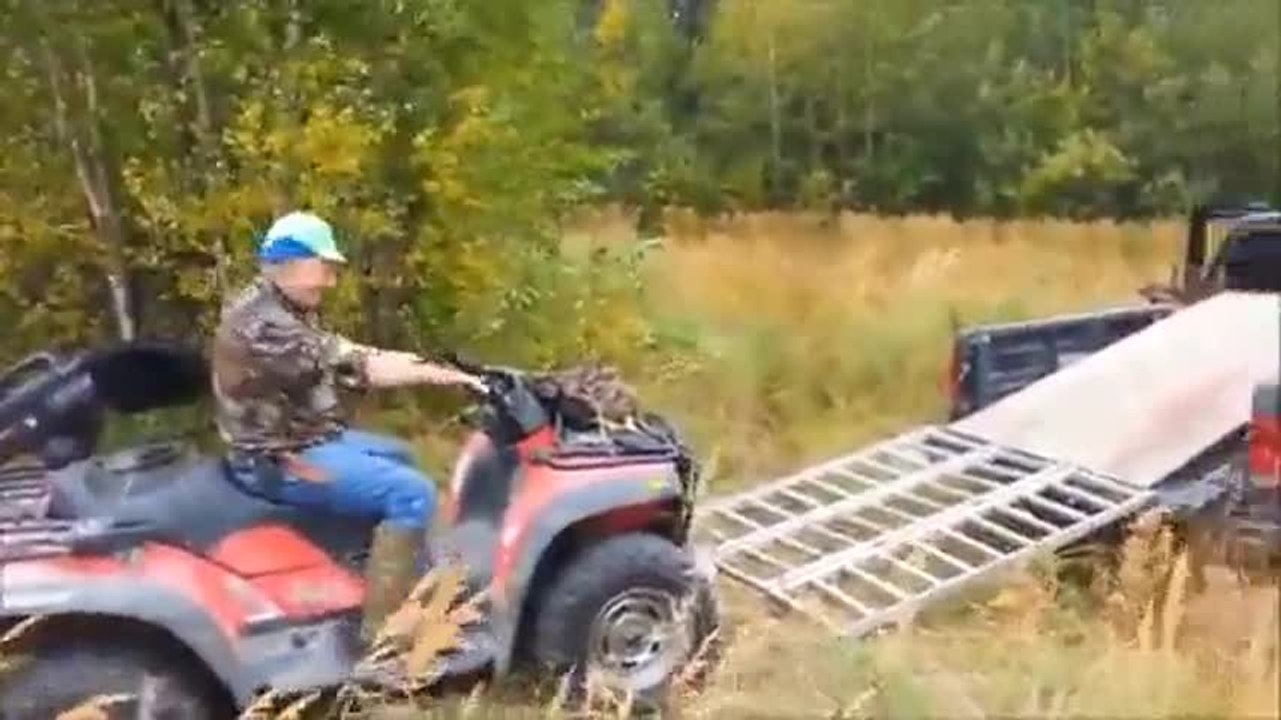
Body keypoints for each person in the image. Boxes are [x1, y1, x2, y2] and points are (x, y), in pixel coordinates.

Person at [210, 210, 485, 643]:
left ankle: (385, 577)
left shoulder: (279, 304)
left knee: (400, 455)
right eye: (324, 268)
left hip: (301, 438)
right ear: (291, 263)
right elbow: (360, 365)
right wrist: (440, 375)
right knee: (413, 493)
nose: (331, 281)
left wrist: (432, 365)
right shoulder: (263, 325)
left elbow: (345, 351)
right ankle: (389, 636)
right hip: (278, 459)